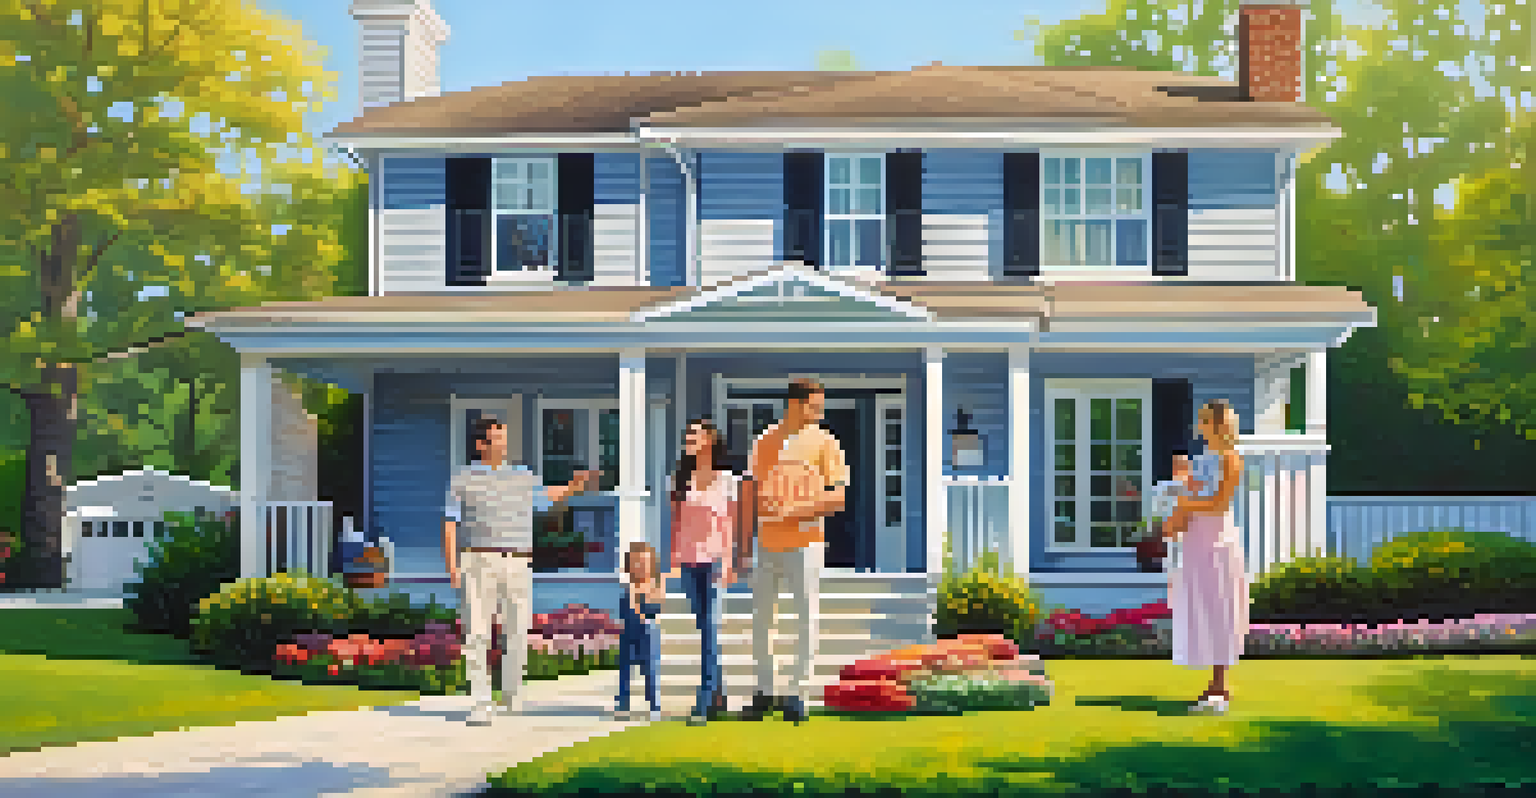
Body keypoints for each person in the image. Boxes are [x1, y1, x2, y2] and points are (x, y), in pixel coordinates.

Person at [443, 417, 599, 726]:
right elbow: (450, 523)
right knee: (477, 632)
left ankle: (511, 695)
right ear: (480, 444)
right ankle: (481, 702)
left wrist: (573, 487)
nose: (504, 444)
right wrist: (453, 567)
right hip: (477, 560)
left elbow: (546, 501)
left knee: (517, 629)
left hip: (518, 560)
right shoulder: (462, 479)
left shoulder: (523, 476)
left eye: (503, 437)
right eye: (497, 438)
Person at [741, 378, 849, 724]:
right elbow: (749, 495)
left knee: (805, 620)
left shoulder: (826, 443)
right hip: (766, 544)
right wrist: (743, 546)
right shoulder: (764, 442)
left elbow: (838, 497)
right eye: (814, 406)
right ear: (794, 404)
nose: (818, 413)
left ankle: (798, 693)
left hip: (806, 543)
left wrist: (796, 511)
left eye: (820, 407)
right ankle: (765, 692)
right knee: (761, 622)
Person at [1162, 400, 1249, 715]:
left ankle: (1221, 687)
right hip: (1196, 544)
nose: (1211, 427)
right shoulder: (1199, 462)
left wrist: (1184, 504)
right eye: (1209, 421)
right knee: (1202, 608)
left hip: (1218, 544)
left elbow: (1219, 503)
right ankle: (1214, 686)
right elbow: (1188, 498)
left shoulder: (1230, 459)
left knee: (1220, 609)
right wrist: (1173, 521)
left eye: (1216, 421)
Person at [666, 418, 751, 726]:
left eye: (695, 434)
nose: (689, 439)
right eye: (687, 434)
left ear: (710, 441)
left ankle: (703, 699)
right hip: (689, 561)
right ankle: (719, 693)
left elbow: (734, 523)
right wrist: (674, 559)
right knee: (704, 628)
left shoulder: (727, 480)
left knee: (711, 629)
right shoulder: (678, 479)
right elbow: (675, 523)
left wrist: (731, 562)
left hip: (716, 560)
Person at [617, 541, 664, 721]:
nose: (640, 567)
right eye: (636, 563)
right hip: (628, 631)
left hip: (647, 632)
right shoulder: (628, 586)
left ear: (652, 565)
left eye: (644, 563)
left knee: (650, 668)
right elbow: (627, 609)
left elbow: (656, 607)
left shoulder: (654, 585)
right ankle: (623, 701)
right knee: (625, 668)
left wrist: (642, 604)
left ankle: (654, 704)